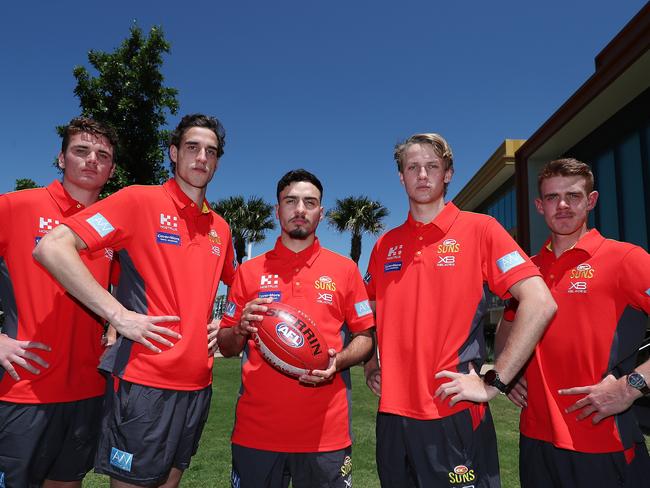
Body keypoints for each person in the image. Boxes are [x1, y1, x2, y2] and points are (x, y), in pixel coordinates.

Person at [33, 113, 237, 487]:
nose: (201, 157)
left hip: (197, 387)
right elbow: (53, 247)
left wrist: (226, 323)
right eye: (192, 147)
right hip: (144, 384)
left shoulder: (220, 228)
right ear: (174, 153)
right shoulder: (137, 200)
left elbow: (238, 288)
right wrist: (118, 315)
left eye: (211, 151)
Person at [363, 133, 557, 487]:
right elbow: (368, 313)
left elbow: (540, 301)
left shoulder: (480, 229)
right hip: (391, 416)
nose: (422, 175)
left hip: (451, 410)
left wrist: (496, 380)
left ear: (448, 173)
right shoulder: (384, 244)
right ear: (401, 177)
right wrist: (371, 363)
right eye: (413, 167)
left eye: (432, 167)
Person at [497, 158, 650, 487]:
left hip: (601, 438)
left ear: (591, 201)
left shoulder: (626, 258)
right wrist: (507, 371)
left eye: (573, 195)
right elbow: (507, 326)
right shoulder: (527, 270)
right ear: (540, 206)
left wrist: (631, 386)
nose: (562, 205)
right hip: (535, 440)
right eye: (552, 197)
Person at [217, 169, 375, 488]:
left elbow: (365, 337)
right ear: (278, 210)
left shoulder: (345, 270)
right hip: (256, 434)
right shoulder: (248, 273)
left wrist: (339, 361)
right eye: (290, 201)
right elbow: (225, 345)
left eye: (309, 202)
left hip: (326, 436)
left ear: (321, 212)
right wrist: (239, 330)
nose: (300, 209)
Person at [0, 117, 117, 487]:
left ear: (112, 170)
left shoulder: (112, 227)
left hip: (88, 389)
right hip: (24, 387)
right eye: (81, 151)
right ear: (61, 158)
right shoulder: (16, 206)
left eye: (103, 155)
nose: (92, 160)